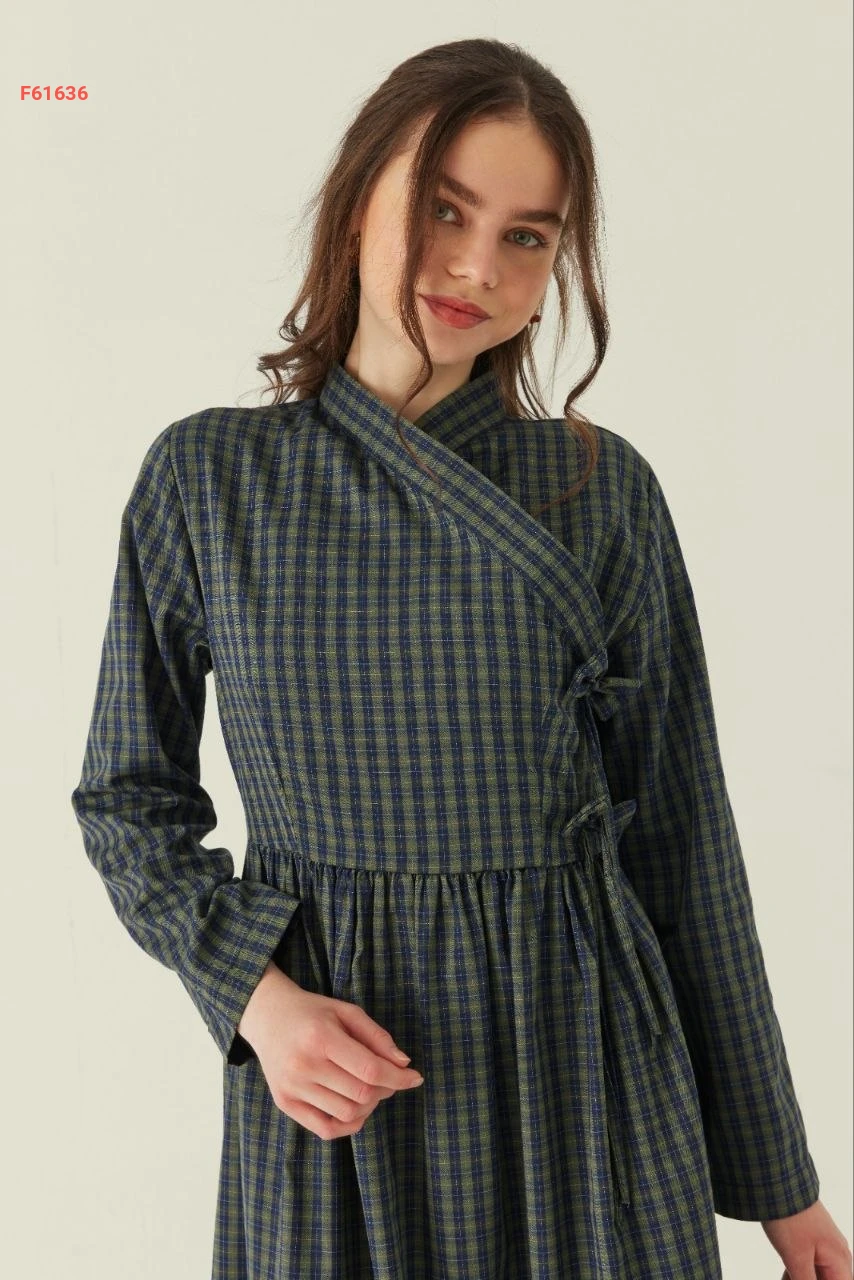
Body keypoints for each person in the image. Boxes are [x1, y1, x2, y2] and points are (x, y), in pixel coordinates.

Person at [70, 36, 852, 1280]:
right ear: (360, 197)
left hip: (586, 1074)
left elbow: (685, 844)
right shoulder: (207, 480)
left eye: (525, 236)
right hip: (340, 1085)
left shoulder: (600, 491)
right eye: (445, 209)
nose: (478, 266)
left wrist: (781, 1186)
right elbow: (127, 795)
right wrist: (257, 997)